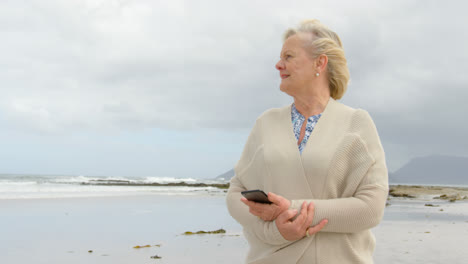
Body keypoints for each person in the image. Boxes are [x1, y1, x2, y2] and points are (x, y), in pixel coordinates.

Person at [226, 19, 388, 264]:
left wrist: (291, 209)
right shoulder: (266, 123)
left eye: (288, 56)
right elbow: (235, 193)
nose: (279, 65)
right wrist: (276, 231)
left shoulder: (356, 123)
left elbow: (370, 209)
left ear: (320, 63)